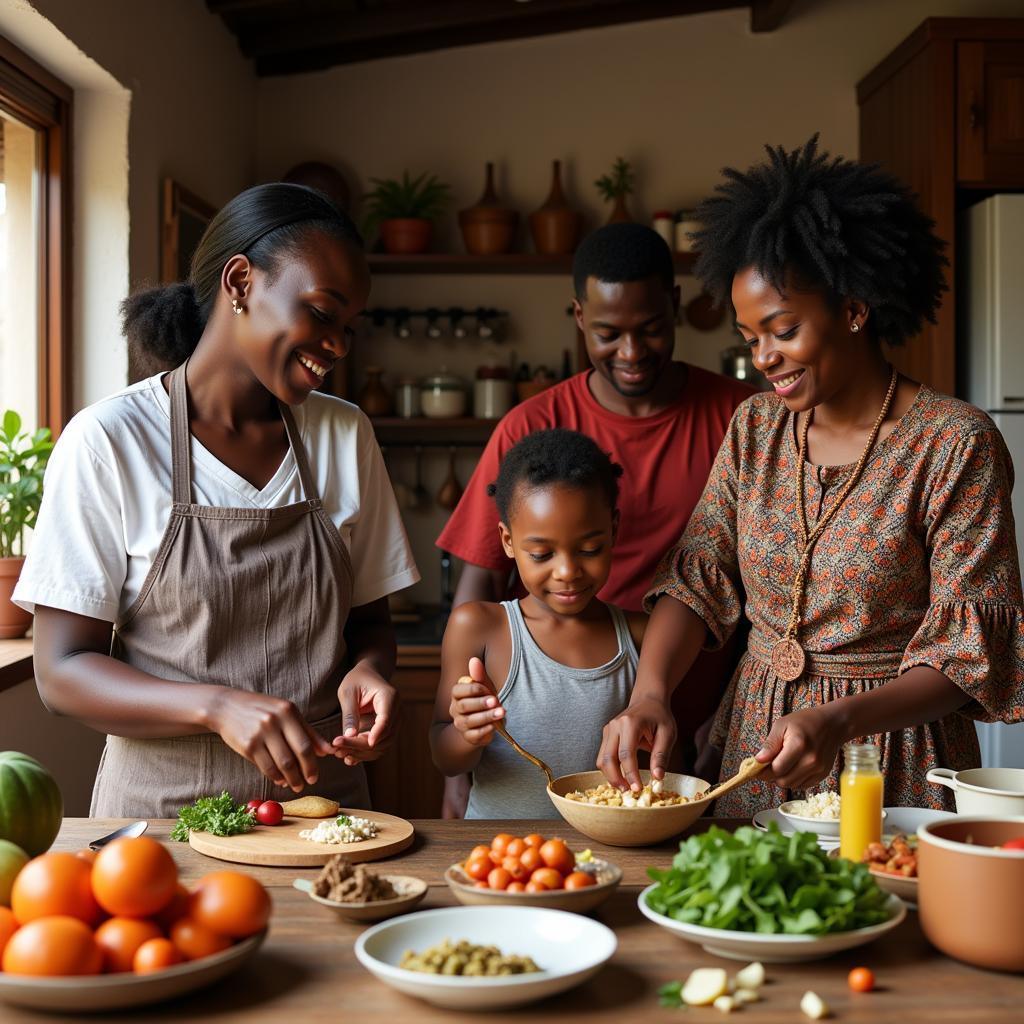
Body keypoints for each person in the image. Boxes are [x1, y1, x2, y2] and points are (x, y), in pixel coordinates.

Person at [597, 136, 1024, 815]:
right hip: (757, 746)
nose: (763, 356)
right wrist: (651, 693)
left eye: (783, 329)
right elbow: (700, 571)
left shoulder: (952, 443)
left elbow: (966, 650)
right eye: (750, 338)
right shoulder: (756, 428)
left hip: (890, 757)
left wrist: (841, 720)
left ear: (853, 309)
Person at [14, 183, 419, 817]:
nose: (338, 345)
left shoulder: (344, 435)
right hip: (156, 823)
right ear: (240, 282)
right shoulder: (110, 440)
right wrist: (216, 706)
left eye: (348, 326)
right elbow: (62, 670)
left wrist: (368, 672)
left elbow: (369, 625)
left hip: (323, 814)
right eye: (321, 312)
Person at [435, 223, 753, 815]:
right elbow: (477, 585)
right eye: (608, 333)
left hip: (692, 726)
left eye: (651, 329)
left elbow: (761, 591)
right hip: (535, 716)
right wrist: (460, 755)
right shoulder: (531, 427)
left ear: (675, 307)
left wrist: (729, 717)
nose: (631, 353)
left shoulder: (740, 421)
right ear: (579, 316)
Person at [431, 429, 645, 818]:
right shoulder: (479, 627)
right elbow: (445, 758)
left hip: (608, 857)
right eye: (542, 553)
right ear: (508, 541)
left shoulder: (639, 635)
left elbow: (660, 764)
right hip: (501, 860)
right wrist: (466, 734)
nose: (567, 571)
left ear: (614, 529)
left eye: (589, 549)